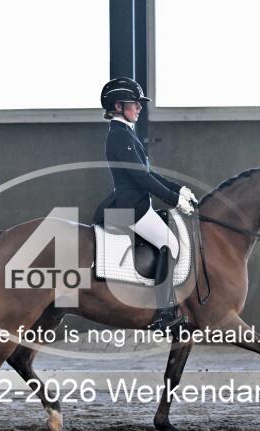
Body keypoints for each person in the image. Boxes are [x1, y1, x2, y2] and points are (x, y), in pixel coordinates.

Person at [92, 77, 198, 332]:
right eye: (134, 103)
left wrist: (178, 189)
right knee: (170, 244)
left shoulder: (126, 133)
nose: (140, 107)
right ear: (118, 106)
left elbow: (149, 173)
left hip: (136, 203)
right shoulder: (119, 135)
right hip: (131, 207)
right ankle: (164, 313)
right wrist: (173, 200)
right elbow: (141, 178)